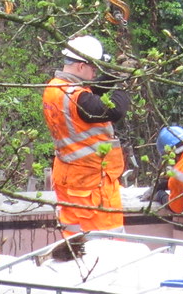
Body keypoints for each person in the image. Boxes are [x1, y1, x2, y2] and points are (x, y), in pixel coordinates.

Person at [42, 34, 131, 237]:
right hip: (92, 182)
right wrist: (125, 83)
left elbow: (93, 90)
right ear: (81, 66)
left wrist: (116, 74)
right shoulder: (78, 99)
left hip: (69, 177)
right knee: (108, 240)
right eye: (93, 68)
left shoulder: (55, 87)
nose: (94, 74)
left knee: (74, 235)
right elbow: (114, 110)